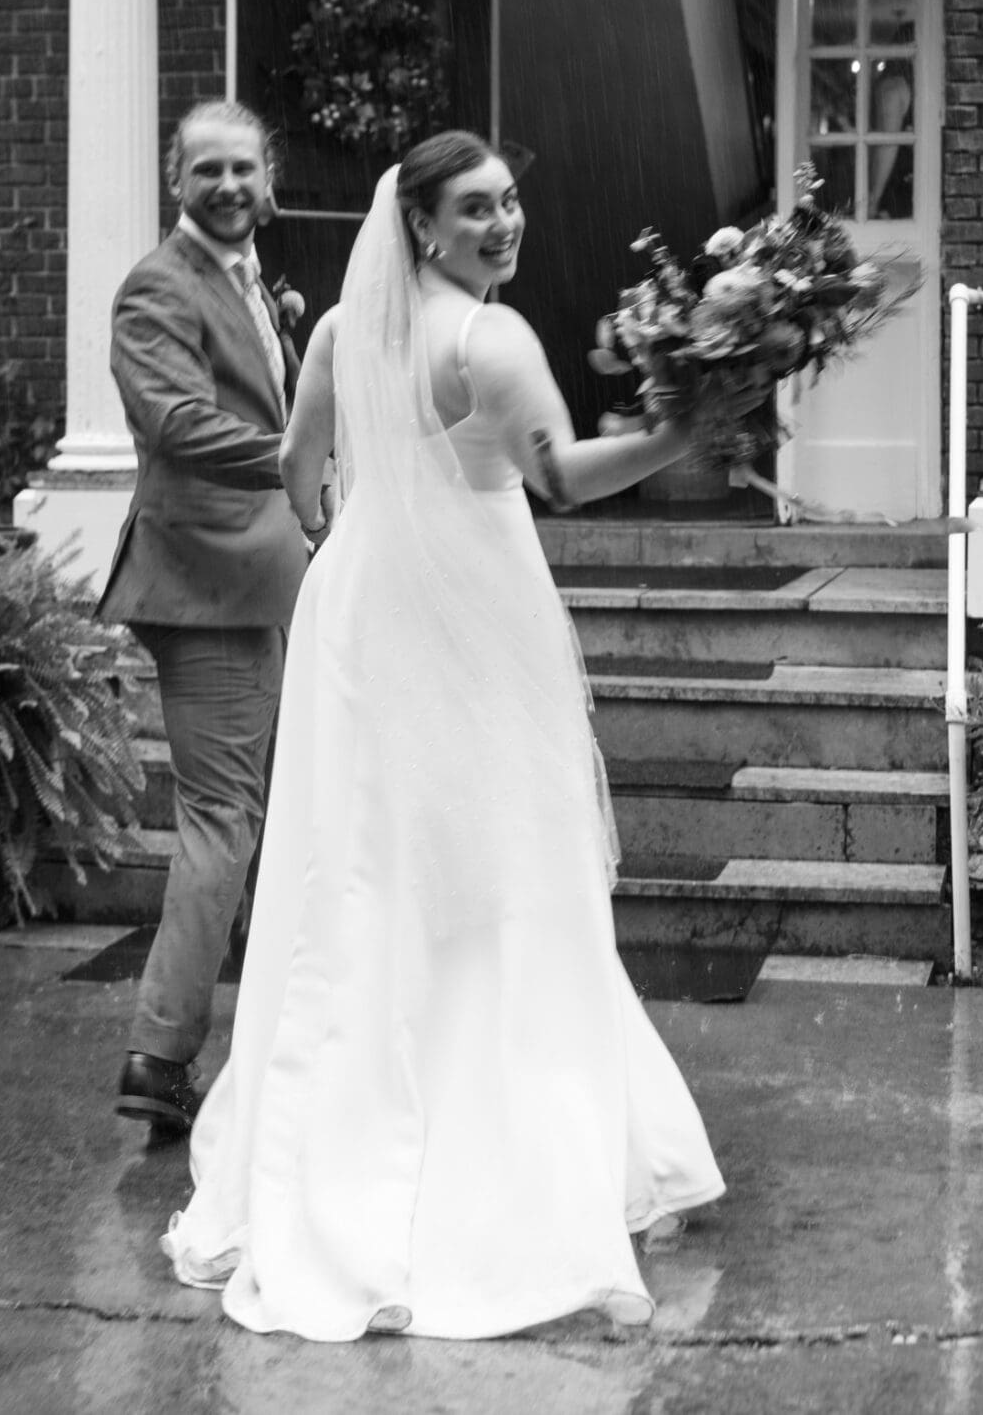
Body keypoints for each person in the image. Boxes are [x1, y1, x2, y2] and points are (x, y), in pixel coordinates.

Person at [160, 130, 728, 1341]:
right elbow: (564, 481)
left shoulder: (338, 335)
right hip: (475, 608)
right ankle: (507, 1162)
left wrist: (354, 538)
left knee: (363, 872)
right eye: (477, 210)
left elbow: (298, 467)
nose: (504, 225)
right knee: (505, 869)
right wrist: (692, 429)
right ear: (420, 225)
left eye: (511, 203)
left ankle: (337, 1140)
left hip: (360, 614)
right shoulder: (490, 339)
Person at [97, 100, 313, 1137]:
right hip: (207, 588)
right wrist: (295, 459)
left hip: (263, 575)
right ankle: (160, 1049)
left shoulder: (245, 281)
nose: (227, 186)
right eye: (205, 170)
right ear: (173, 180)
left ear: (268, 176)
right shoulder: (157, 284)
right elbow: (175, 425)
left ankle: (272, 1033)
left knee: (257, 818)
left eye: (242, 167)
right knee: (221, 822)